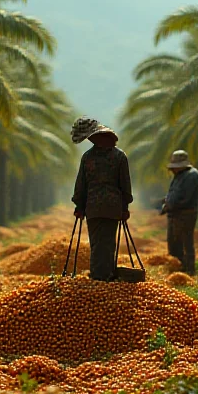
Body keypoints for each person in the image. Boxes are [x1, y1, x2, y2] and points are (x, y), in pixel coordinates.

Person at [70, 117, 133, 281]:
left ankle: (100, 278)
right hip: (112, 207)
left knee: (98, 244)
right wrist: (125, 207)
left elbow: (81, 186)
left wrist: (79, 206)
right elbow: (125, 186)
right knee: (106, 244)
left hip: (94, 207)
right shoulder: (119, 156)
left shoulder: (88, 157)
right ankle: (105, 277)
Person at [161, 150, 198, 275]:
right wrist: (166, 202)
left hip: (185, 214)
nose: (173, 170)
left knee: (185, 242)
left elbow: (186, 199)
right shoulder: (178, 176)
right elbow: (173, 193)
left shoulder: (191, 175)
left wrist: (171, 205)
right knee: (173, 242)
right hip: (174, 214)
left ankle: (189, 270)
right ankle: (177, 267)